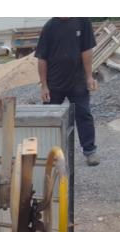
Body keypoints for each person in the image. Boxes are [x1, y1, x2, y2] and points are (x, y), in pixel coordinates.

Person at [35, 18, 99, 166]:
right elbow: (42, 59)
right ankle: (50, 154)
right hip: (54, 83)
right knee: (49, 118)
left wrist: (89, 77)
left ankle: (90, 152)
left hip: (78, 81)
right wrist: (44, 86)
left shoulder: (83, 22)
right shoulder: (49, 27)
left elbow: (86, 51)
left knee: (84, 114)